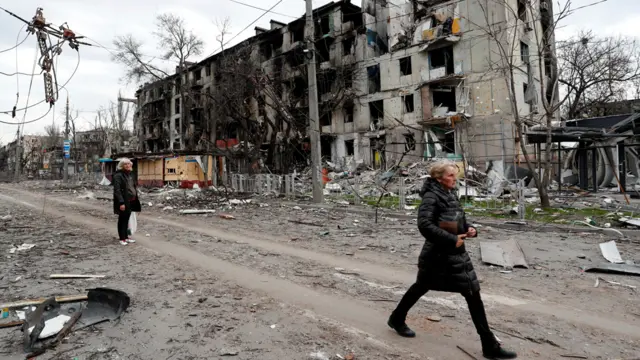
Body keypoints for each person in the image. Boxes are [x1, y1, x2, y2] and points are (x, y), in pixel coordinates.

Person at [387, 161, 517, 359]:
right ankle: (397, 318)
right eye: (451, 176)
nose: (455, 179)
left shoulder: (449, 194)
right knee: (423, 286)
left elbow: (457, 220)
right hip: (437, 256)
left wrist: (470, 229)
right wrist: (451, 239)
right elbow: (424, 224)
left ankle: (489, 345)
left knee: (472, 293)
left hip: (455, 254)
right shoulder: (431, 197)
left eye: (455, 176)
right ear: (439, 178)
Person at [112, 158, 141, 246]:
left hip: (131, 201)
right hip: (124, 201)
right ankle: (122, 238)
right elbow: (117, 190)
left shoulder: (129, 175)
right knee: (122, 220)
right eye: (126, 164)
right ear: (121, 166)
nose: (128, 166)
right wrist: (121, 202)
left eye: (129, 164)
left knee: (127, 220)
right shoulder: (118, 175)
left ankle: (127, 237)